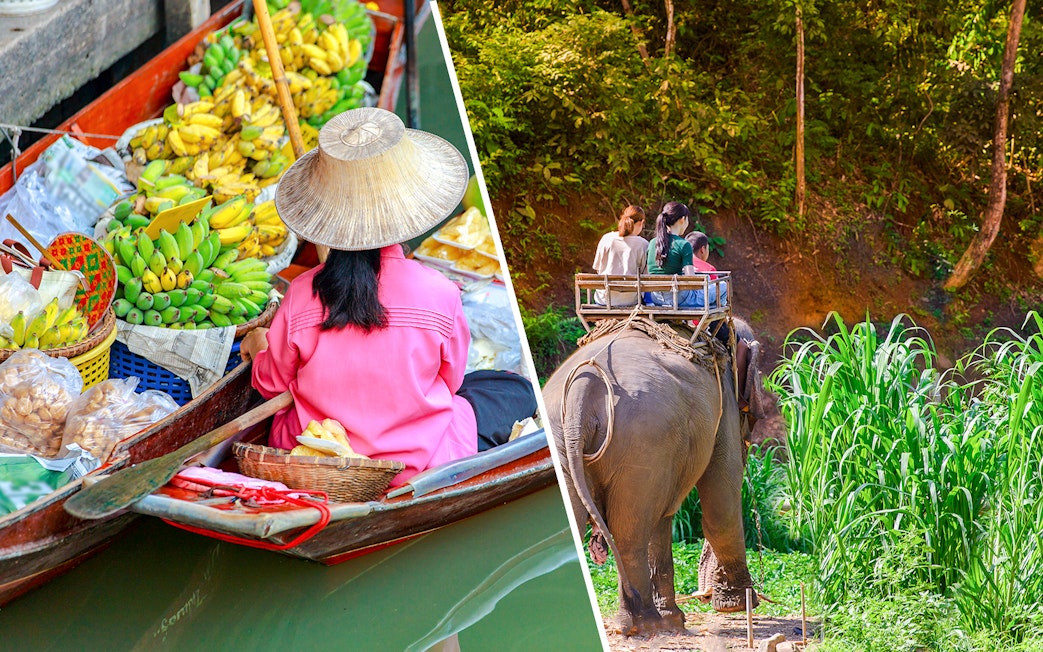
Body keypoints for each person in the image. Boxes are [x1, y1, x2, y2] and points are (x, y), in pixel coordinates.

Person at [239, 107, 537, 487]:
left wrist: (262, 346)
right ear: (405, 210)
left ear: (328, 218)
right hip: (416, 462)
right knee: (512, 388)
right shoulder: (440, 291)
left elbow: (271, 384)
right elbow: (452, 379)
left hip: (321, 460)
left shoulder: (300, 293)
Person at [591, 204, 648, 305]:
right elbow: (646, 274)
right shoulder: (643, 244)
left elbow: (598, 268)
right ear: (641, 222)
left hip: (604, 299)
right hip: (630, 300)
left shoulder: (606, 238)